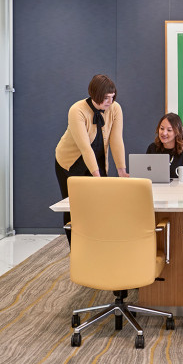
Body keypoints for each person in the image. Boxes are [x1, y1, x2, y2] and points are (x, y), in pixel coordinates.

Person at [54, 75, 129, 240]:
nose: (110, 101)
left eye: (112, 97)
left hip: (98, 159)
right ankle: (75, 247)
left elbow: (117, 140)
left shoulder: (115, 109)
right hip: (71, 162)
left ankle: (94, 242)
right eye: (106, 98)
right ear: (95, 94)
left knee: (98, 204)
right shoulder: (77, 110)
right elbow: (85, 147)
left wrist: (122, 170)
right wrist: (97, 178)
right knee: (73, 205)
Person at [146, 113, 183, 179]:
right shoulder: (152, 148)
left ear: (177, 132)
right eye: (162, 128)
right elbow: (146, 174)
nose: (164, 133)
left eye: (169, 130)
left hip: (180, 189)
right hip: (156, 189)